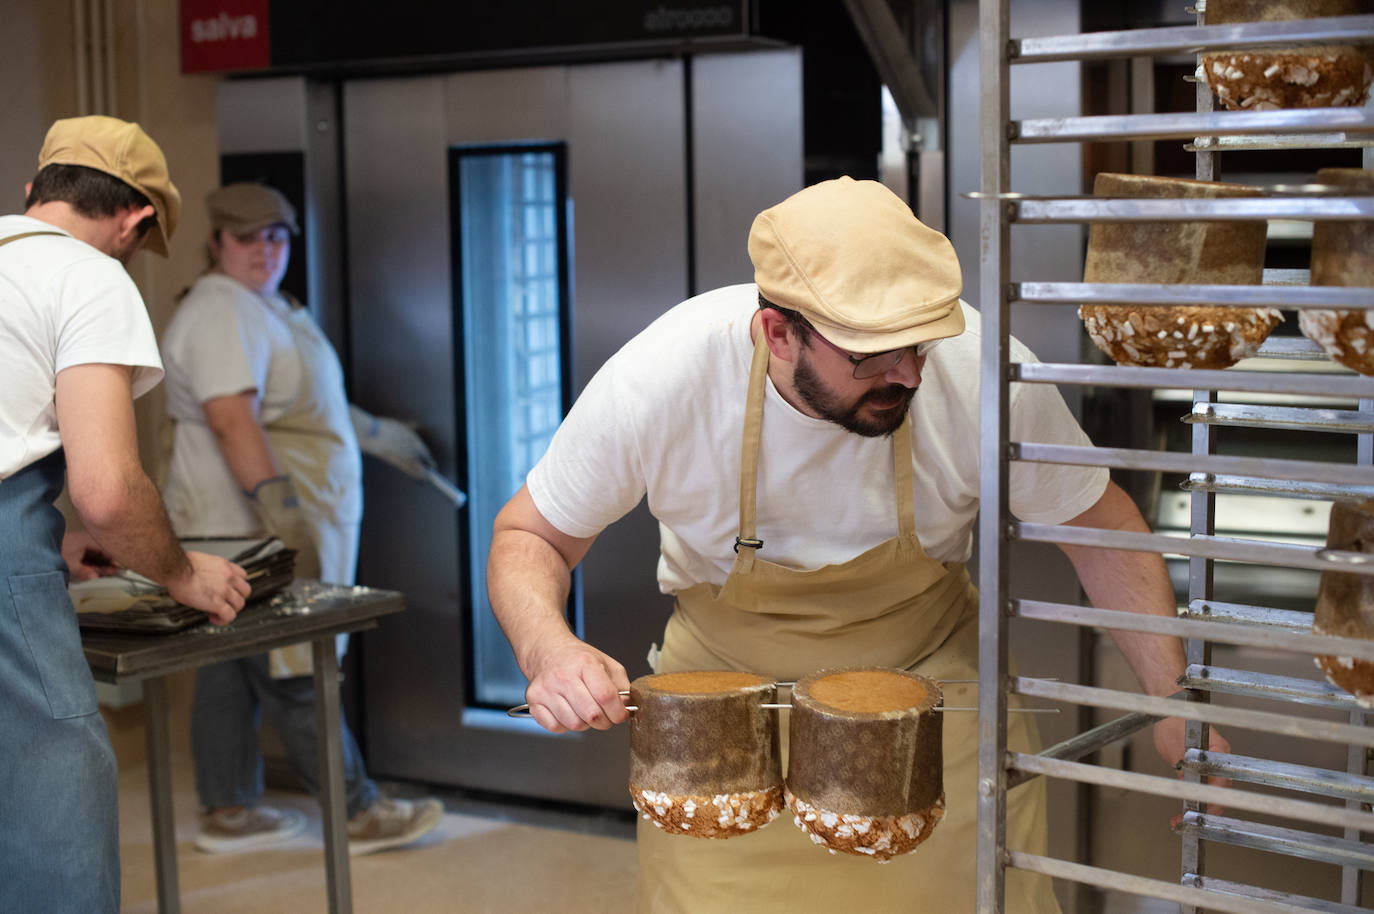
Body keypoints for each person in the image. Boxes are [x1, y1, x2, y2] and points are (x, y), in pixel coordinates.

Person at [486, 177, 1229, 912]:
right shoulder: (662, 379)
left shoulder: (981, 375)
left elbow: (1102, 532)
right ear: (779, 333)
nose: (906, 374)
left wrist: (1173, 701)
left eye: (919, 345)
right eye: (870, 356)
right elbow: (531, 534)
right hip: (718, 730)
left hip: (931, 712)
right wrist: (548, 648)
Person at [0, 116, 251, 914]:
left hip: (21, 535)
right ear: (137, 220)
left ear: (35, 189)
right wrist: (180, 572)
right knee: (55, 784)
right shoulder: (89, 276)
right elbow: (108, 490)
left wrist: (51, 534)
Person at [159, 182, 443, 855]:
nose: (265, 250)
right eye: (247, 238)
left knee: (231, 664)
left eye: (277, 237)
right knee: (292, 662)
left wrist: (376, 433)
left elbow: (304, 406)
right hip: (246, 526)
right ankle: (360, 813)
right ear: (216, 243)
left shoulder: (266, 307)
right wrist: (283, 514)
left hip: (246, 525)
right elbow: (233, 421)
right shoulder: (223, 310)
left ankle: (228, 808)